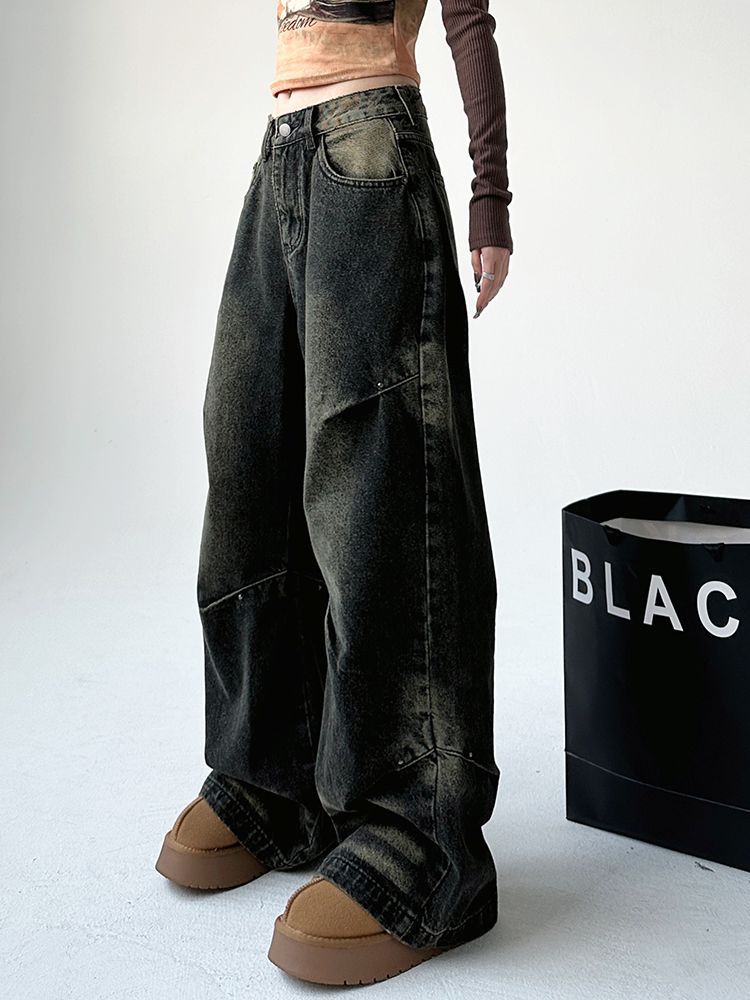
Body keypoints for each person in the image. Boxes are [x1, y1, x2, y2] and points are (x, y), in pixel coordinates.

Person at [155, 0, 513, 986]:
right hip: (282, 151)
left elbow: (469, 18)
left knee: (382, 476)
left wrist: (490, 196)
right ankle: (277, 774)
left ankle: (422, 834)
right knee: (250, 446)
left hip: (371, 146)